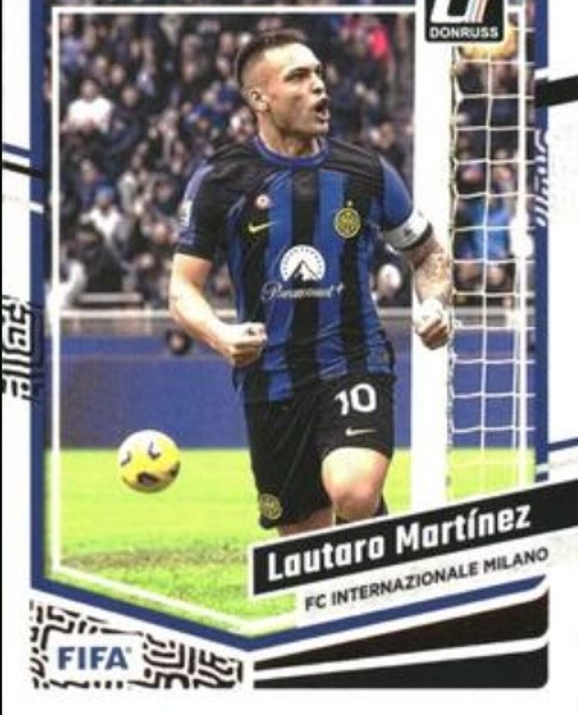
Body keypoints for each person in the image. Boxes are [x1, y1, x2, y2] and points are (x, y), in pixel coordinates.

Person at [169, 28, 451, 536]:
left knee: (354, 492)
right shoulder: (219, 181)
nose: (319, 85)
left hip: (353, 360)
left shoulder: (366, 172)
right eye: (298, 77)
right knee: (305, 550)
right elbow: (182, 289)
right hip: (270, 382)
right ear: (260, 98)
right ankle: (376, 565)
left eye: (318, 73)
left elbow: (428, 254)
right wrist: (221, 334)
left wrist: (433, 303)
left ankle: (369, 522)